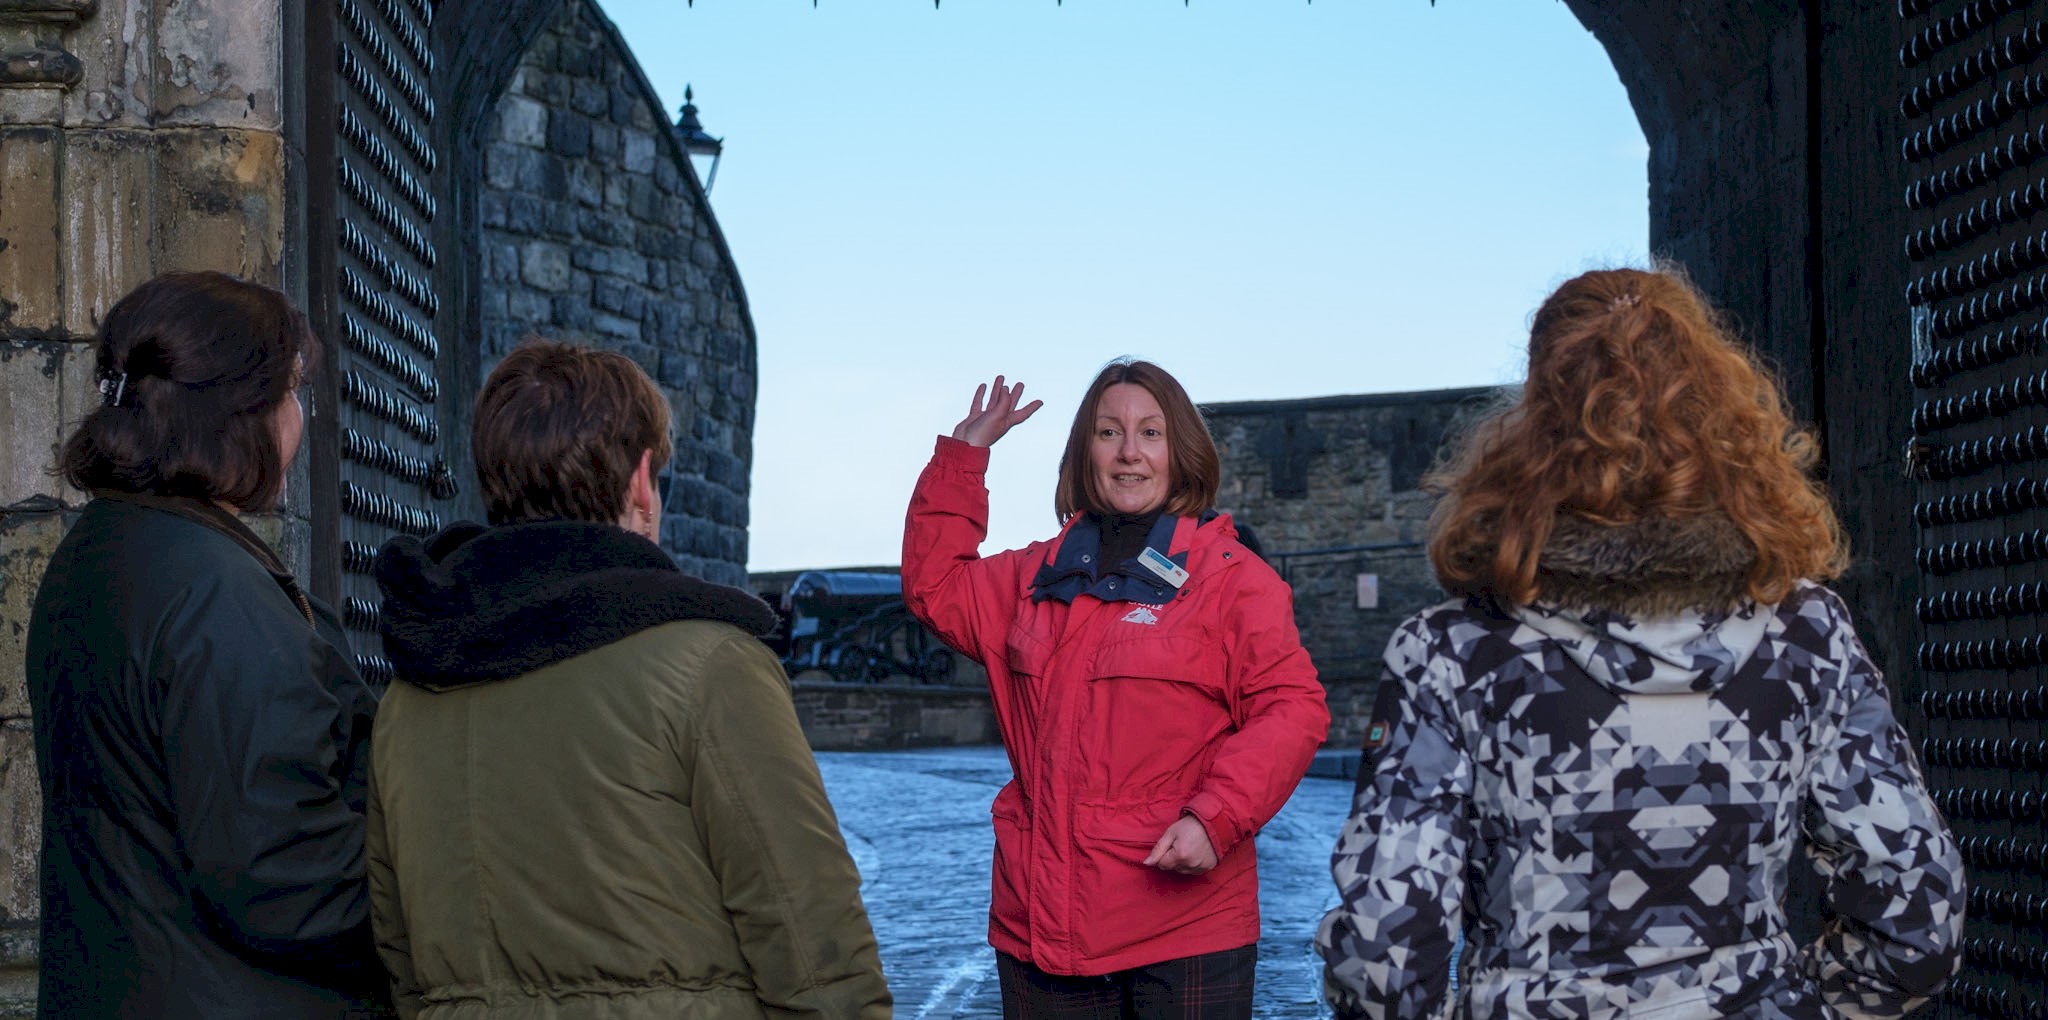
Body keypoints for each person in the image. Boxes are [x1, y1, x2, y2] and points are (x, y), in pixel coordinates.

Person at [1315, 267, 1966, 1020]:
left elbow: (1385, 959)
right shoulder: (1806, 634)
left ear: (1533, 425)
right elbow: (1917, 916)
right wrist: (1794, 1000)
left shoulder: (1452, 653)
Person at [366, 339, 890, 1019]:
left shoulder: (409, 695)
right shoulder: (711, 668)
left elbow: (400, 958)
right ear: (642, 483)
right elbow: (815, 950)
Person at [902, 359, 1330, 1017]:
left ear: (1181, 453)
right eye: (1109, 432)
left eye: (1151, 433)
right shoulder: (1030, 578)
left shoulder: (1233, 580)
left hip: (1186, 929)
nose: (1130, 452)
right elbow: (934, 587)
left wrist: (1216, 817)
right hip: (1039, 927)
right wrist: (964, 459)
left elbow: (1292, 707)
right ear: (1086, 452)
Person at [26, 271, 385, 1018]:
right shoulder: (213, 590)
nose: (299, 417)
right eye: (292, 392)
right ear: (238, 412)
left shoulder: (99, 549)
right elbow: (283, 872)